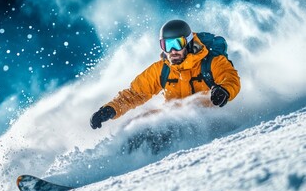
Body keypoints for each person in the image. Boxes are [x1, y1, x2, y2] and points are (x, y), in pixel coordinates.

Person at [90, 19, 241, 129]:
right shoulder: (162, 69)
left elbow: (230, 78)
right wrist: (110, 109)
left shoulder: (211, 61)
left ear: (188, 44)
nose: (172, 51)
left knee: (163, 127)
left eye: (177, 44)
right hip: (175, 119)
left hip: (209, 120)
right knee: (135, 125)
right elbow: (134, 94)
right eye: (166, 45)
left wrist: (224, 90)